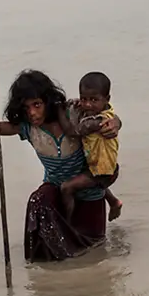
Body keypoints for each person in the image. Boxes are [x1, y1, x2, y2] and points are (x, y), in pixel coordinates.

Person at [0, 65, 121, 262]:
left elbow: (104, 113)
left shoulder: (71, 114)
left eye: (37, 105)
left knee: (94, 251)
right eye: (26, 108)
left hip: (89, 193)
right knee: (38, 201)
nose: (32, 113)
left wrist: (115, 123)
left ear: (47, 101)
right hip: (57, 191)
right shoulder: (27, 128)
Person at [58, 72, 123, 222]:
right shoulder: (107, 110)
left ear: (107, 99)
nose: (87, 104)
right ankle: (114, 202)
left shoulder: (96, 122)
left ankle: (68, 223)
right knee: (96, 183)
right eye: (84, 99)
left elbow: (71, 132)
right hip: (104, 168)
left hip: (101, 172)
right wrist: (75, 103)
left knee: (67, 188)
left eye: (94, 100)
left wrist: (59, 111)